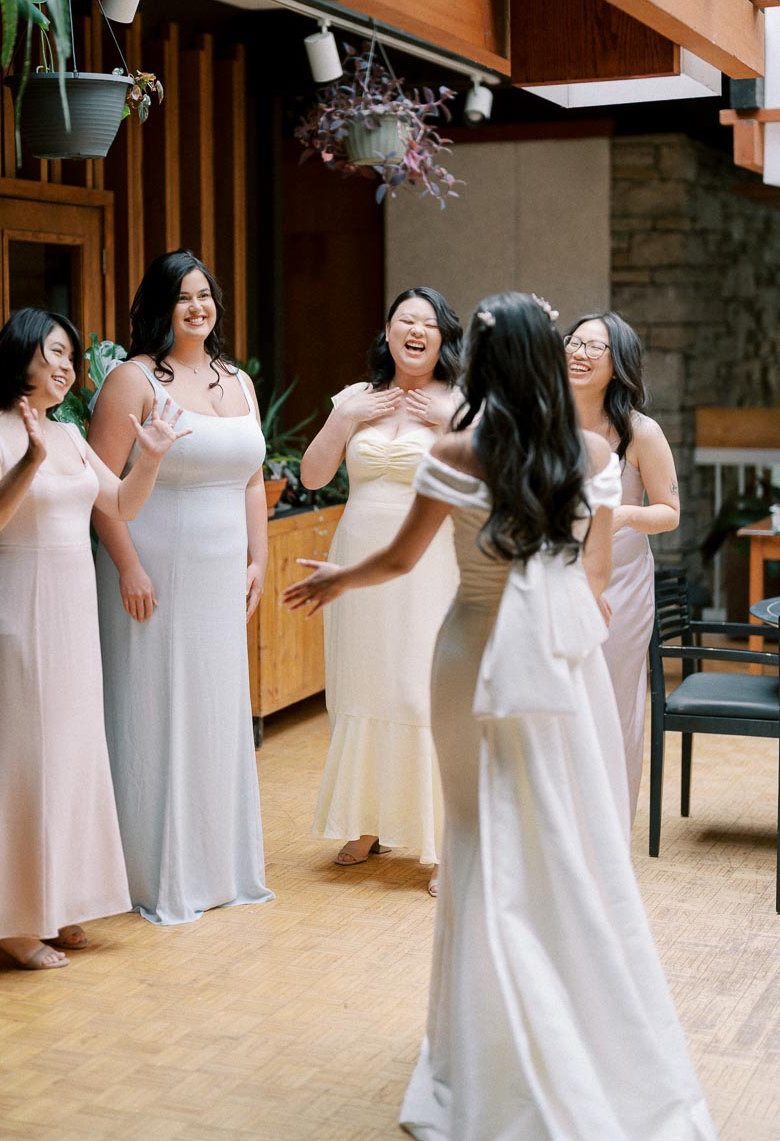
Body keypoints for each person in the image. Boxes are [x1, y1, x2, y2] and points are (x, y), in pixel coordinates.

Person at [283, 291, 714, 1141]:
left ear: (479, 365)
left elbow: (403, 558)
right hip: (557, 666)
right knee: (555, 839)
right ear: (546, 363)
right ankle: (565, 1026)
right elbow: (592, 587)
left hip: (466, 656)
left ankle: (481, 1041)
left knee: (479, 840)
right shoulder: (589, 452)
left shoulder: (457, 449)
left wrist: (335, 578)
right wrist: (556, 642)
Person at [0, 308, 185, 970]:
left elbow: (121, 506)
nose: (66, 365)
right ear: (19, 354)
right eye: (54, 351)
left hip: (73, 611)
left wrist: (152, 458)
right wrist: (28, 460)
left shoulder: (73, 434)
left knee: (72, 752)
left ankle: (56, 903)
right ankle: (9, 921)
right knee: (19, 757)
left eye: (70, 356)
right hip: (14, 613)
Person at [88, 250, 274, 925]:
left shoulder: (239, 382)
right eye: (183, 297)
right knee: (156, 709)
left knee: (216, 709)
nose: (198, 307)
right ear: (159, 307)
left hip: (224, 575)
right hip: (154, 572)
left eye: (206, 295)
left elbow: (252, 480)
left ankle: (218, 865)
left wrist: (259, 558)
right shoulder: (131, 382)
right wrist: (129, 566)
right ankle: (149, 871)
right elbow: (97, 486)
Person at [299, 288, 461, 893]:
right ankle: (369, 824)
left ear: (443, 338)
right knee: (361, 684)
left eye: (428, 323)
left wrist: (449, 423)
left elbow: (491, 480)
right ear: (388, 333)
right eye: (404, 321)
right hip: (356, 556)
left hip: (429, 563)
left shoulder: (462, 404)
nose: (415, 331)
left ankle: (447, 841)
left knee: (422, 692)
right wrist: (345, 419)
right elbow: (313, 476)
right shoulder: (356, 398)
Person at [564, 311, 680, 820]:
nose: (580, 353)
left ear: (619, 365)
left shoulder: (639, 432)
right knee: (555, 701)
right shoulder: (544, 421)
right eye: (574, 342)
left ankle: (606, 825)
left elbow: (669, 512)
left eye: (595, 348)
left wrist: (617, 514)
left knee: (609, 704)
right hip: (554, 576)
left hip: (620, 584)